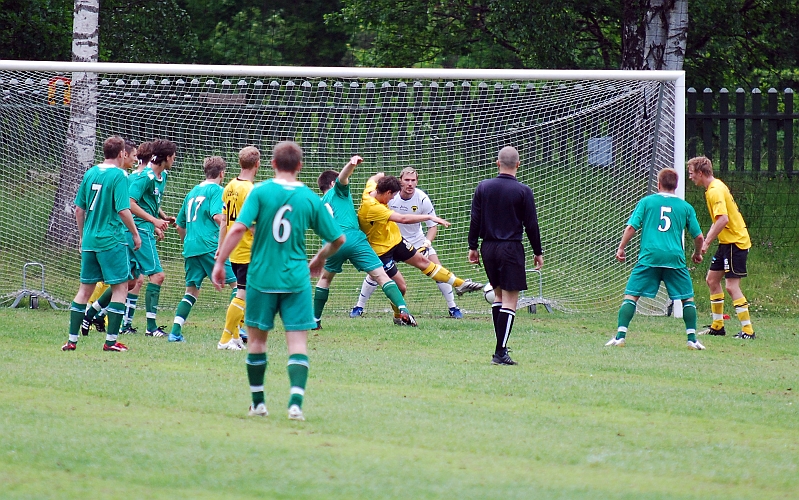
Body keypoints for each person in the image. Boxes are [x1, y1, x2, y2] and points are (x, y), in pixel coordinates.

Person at [212, 141, 345, 421]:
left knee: (257, 343)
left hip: (261, 277)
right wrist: (319, 258)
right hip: (296, 279)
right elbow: (338, 239)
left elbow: (237, 228)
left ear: (272, 164)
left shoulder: (260, 191)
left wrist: (220, 261)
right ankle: (296, 404)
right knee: (297, 344)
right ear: (299, 166)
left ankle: (258, 403)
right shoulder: (309, 197)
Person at [357, 172, 483, 324]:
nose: (391, 199)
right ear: (388, 192)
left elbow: (373, 178)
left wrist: (383, 176)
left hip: (396, 241)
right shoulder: (372, 208)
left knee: (424, 261)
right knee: (401, 287)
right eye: (392, 196)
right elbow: (403, 218)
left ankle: (460, 284)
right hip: (382, 251)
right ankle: (397, 316)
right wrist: (429, 217)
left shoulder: (371, 189)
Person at [605, 168, 706, 349]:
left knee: (631, 296)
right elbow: (699, 237)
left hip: (649, 256)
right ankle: (692, 339)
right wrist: (697, 253)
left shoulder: (647, 202)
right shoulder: (685, 207)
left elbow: (631, 228)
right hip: (674, 258)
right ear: (676, 186)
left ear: (658, 184)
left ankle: (620, 336)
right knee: (687, 299)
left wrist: (621, 248)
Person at [313, 155, 416, 329]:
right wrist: (350, 163)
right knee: (381, 276)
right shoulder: (337, 191)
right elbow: (343, 178)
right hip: (353, 238)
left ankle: (314, 320)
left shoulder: (319, 204)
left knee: (325, 279)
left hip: (332, 243)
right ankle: (403, 310)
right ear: (332, 184)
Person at [62, 136, 142, 352]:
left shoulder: (90, 173)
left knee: (84, 290)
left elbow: (79, 209)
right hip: (111, 240)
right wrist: (135, 234)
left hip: (89, 240)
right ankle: (111, 341)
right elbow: (123, 210)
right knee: (121, 287)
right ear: (122, 154)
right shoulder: (120, 175)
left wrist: (82, 237)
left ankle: (71, 341)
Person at [467, 146, 543, 365]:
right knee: (510, 300)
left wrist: (473, 247)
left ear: (497, 163)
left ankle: (501, 345)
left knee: (498, 297)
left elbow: (475, 218)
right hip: (510, 248)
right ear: (518, 165)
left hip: (488, 247)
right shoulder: (523, 191)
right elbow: (531, 225)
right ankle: (500, 351)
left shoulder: (483, 187)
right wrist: (538, 252)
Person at [168, 156, 237, 343]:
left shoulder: (192, 192)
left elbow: (180, 224)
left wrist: (188, 241)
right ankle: (236, 330)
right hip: (210, 245)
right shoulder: (217, 190)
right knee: (238, 285)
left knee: (190, 292)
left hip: (191, 248)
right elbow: (218, 217)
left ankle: (174, 332)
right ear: (222, 173)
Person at [687, 156, 756, 339]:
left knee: (732, 287)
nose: (690, 177)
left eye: (692, 173)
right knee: (711, 280)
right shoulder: (714, 187)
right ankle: (718, 326)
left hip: (736, 242)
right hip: (727, 242)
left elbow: (723, 219)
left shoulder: (715, 190)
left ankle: (748, 330)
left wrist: (707, 242)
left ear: (701, 173)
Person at [128, 138, 176, 337]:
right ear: (167, 157)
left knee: (129, 281)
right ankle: (151, 328)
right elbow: (129, 203)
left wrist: (162, 217)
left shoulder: (161, 175)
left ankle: (93, 313)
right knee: (157, 276)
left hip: (146, 229)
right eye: (174, 156)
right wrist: (154, 221)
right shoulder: (144, 177)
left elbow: (151, 201)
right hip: (139, 230)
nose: (175, 160)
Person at [217, 145, 261, 350]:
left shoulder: (230, 186)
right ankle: (225, 339)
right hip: (247, 249)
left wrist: (221, 247)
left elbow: (225, 220)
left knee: (245, 293)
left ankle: (234, 337)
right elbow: (252, 226)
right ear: (257, 164)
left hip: (234, 249)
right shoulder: (250, 190)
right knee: (243, 294)